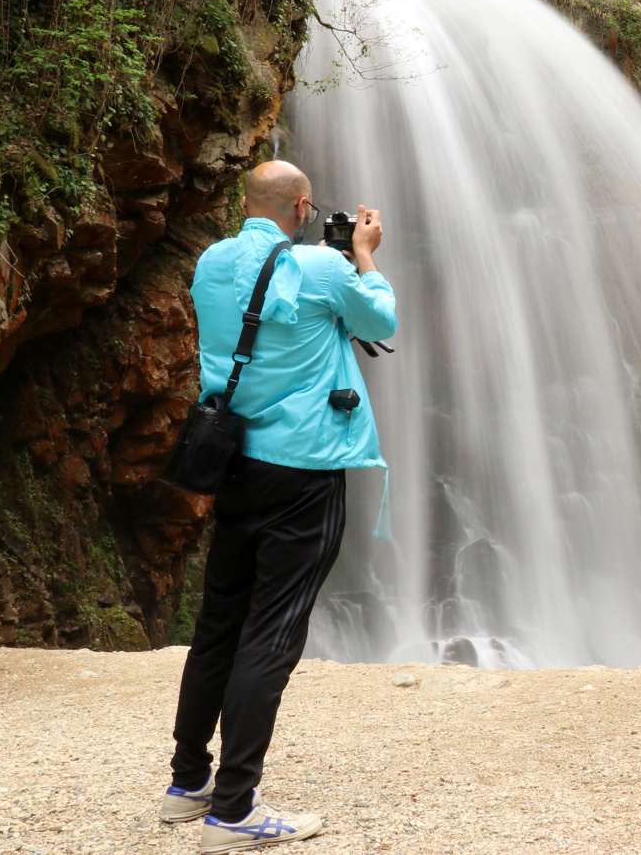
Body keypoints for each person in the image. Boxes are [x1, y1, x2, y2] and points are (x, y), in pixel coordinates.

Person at [158, 160, 396, 853]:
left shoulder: (210, 263)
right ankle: (233, 810)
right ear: (300, 208)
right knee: (273, 631)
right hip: (306, 470)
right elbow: (380, 316)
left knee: (220, 623)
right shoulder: (320, 270)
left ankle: (188, 783)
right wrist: (363, 254)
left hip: (236, 463)